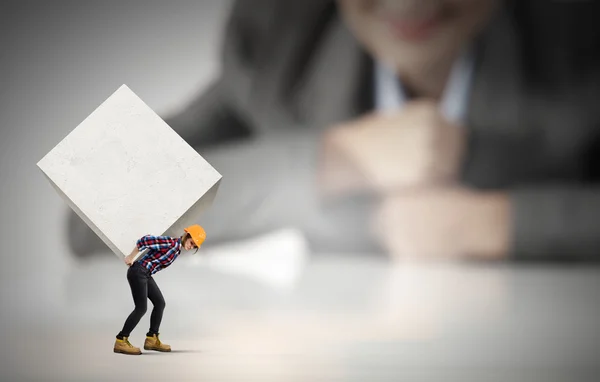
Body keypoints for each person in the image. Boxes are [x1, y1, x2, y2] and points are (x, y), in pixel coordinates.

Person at [69, 0, 600, 262]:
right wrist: (335, 157)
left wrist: (499, 225)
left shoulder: (578, 32)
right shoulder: (283, 43)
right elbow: (94, 202)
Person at [113, 225, 206, 355]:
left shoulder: (177, 249)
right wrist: (131, 256)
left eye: (194, 246)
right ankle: (121, 340)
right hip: (139, 272)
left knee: (160, 303)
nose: (191, 247)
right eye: (192, 243)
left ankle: (152, 338)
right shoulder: (171, 243)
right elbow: (144, 240)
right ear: (186, 235)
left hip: (145, 273)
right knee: (141, 308)